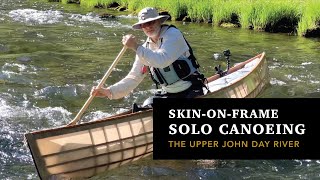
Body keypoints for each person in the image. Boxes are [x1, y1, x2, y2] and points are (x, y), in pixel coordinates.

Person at [91, 7, 207, 107]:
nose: (148, 27)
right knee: (147, 103)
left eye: (151, 22)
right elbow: (134, 77)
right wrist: (109, 92)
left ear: (159, 22)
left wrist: (135, 47)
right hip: (169, 94)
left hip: (190, 89)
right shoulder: (144, 48)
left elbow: (162, 60)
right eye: (144, 24)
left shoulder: (172, 34)